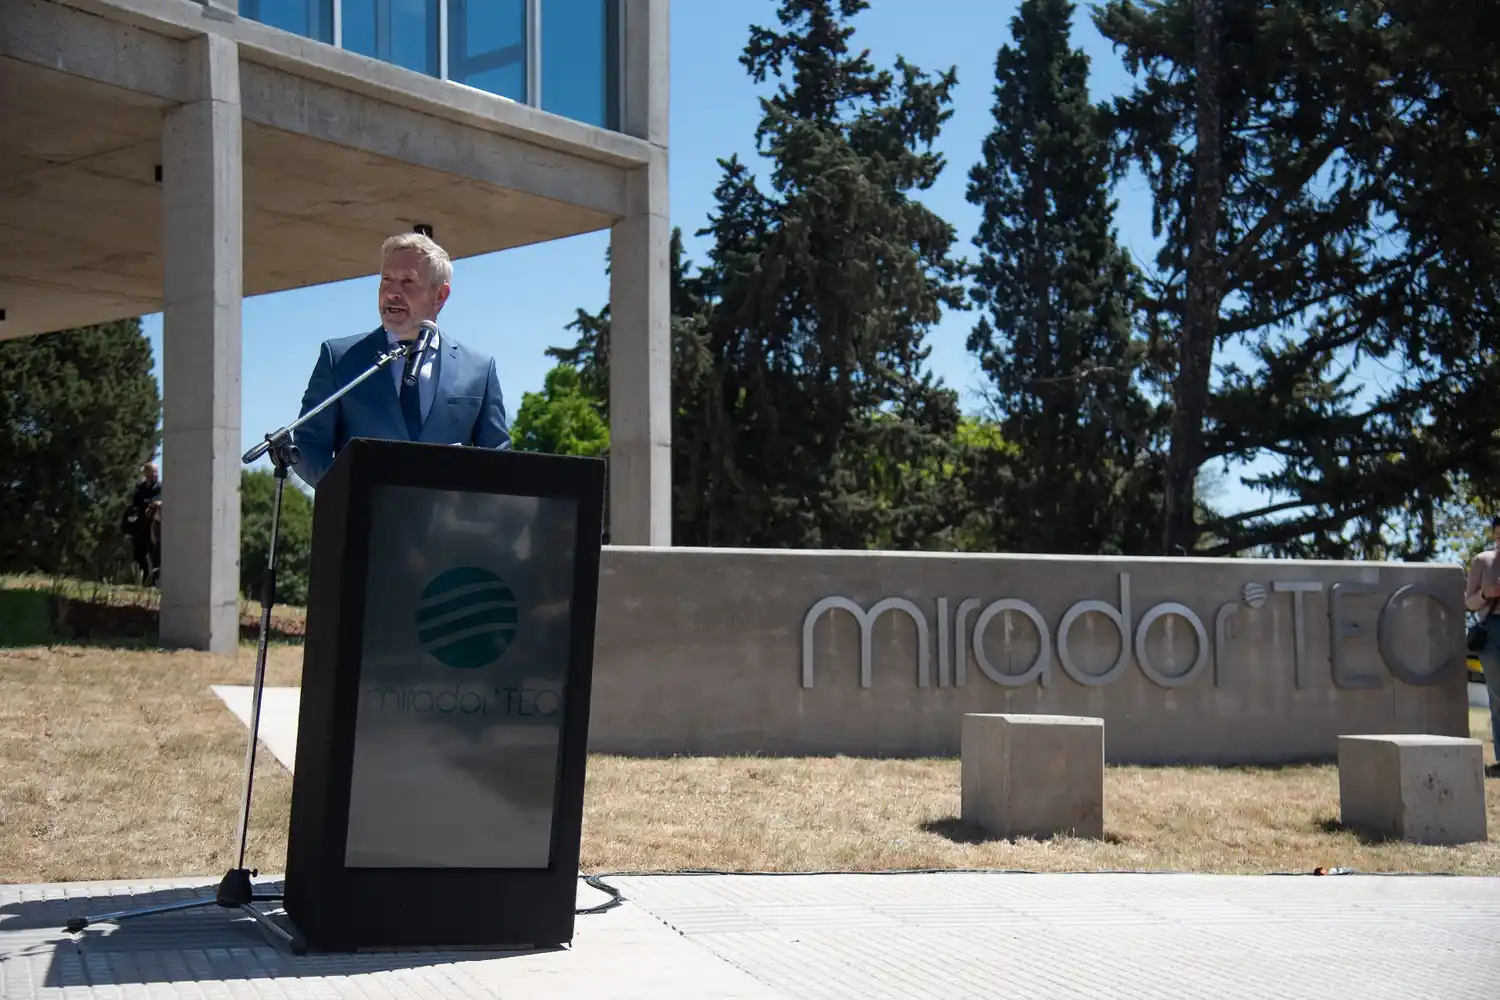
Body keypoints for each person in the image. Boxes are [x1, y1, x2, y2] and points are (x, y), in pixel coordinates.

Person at [290, 232, 511, 489]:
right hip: (360, 513)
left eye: (408, 281)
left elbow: (499, 460)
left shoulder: (479, 370)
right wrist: (348, 493)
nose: (392, 292)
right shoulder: (340, 359)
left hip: (446, 515)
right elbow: (307, 446)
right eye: (386, 279)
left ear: (440, 296)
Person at [1463, 515, 1500, 778]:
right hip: (1491, 631)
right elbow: (1469, 603)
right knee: (1498, 694)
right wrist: (1487, 594)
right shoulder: (1482, 561)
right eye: (1498, 535)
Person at [121, 461, 162, 586]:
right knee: (139, 555)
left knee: (154, 555)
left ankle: (154, 582)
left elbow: (159, 500)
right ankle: (145, 581)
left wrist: (154, 504)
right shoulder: (140, 488)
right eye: (152, 472)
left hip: (153, 525)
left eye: (156, 472)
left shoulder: (160, 487)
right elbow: (135, 503)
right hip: (140, 525)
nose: (155, 474)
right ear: (146, 473)